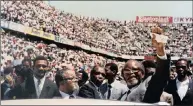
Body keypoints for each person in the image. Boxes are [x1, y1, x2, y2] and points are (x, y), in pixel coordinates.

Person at [120, 27, 171, 104]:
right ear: (123, 75)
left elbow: (160, 77)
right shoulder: (122, 95)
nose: (131, 72)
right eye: (127, 70)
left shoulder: (146, 88)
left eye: (135, 69)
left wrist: (160, 50)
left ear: (143, 74)